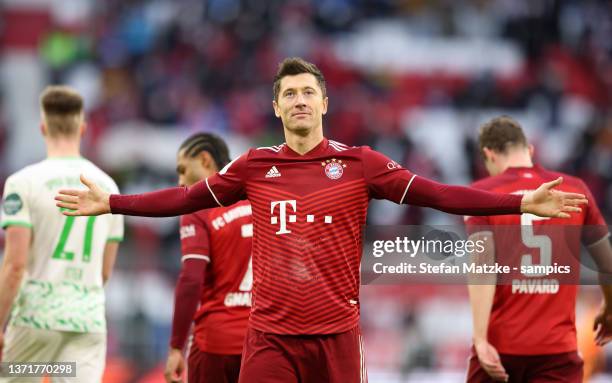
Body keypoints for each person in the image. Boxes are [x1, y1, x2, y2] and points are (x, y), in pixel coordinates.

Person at [55, 58, 588, 383]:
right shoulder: (254, 166)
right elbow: (185, 198)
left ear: (325, 102)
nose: (300, 100)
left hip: (336, 338)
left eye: (308, 91)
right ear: (277, 107)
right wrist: (112, 203)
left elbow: (440, 195)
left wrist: (518, 204)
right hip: (269, 337)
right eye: (290, 93)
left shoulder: (362, 163)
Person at [464, 116, 612, 383]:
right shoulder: (575, 190)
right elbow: (608, 264)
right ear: (529, 150)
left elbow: (483, 268)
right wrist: (610, 307)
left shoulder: (481, 194)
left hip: (500, 349)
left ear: (488, 155)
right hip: (557, 352)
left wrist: (480, 340)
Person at [0, 86, 124, 382]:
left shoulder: (22, 183)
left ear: (43, 128)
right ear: (82, 129)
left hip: (35, 321)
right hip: (87, 321)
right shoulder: (108, 187)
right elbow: (104, 271)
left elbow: (15, 266)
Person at [164, 133, 252, 383]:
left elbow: (192, 279)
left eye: (183, 169)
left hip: (215, 343)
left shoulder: (198, 208)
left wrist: (176, 347)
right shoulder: (262, 200)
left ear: (205, 160)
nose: (181, 180)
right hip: (263, 342)